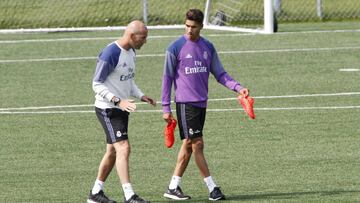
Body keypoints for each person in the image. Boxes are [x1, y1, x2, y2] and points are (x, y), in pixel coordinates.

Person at [161, 9, 250, 201]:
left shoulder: (207, 47)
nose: (189, 30)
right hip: (186, 103)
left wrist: (238, 87)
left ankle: (173, 187)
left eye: (193, 27)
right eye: (187, 26)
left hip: (202, 104)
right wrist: (166, 108)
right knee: (198, 144)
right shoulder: (175, 47)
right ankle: (212, 188)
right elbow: (167, 79)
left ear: (201, 26)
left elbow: (220, 74)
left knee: (187, 145)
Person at [88, 20, 156, 203]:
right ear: (132, 36)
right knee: (123, 148)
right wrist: (118, 101)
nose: (145, 42)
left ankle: (95, 193)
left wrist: (142, 96)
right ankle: (129, 195)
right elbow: (96, 84)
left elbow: (128, 80)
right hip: (108, 109)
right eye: (143, 38)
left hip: (122, 109)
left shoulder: (132, 52)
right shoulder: (111, 53)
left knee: (112, 151)